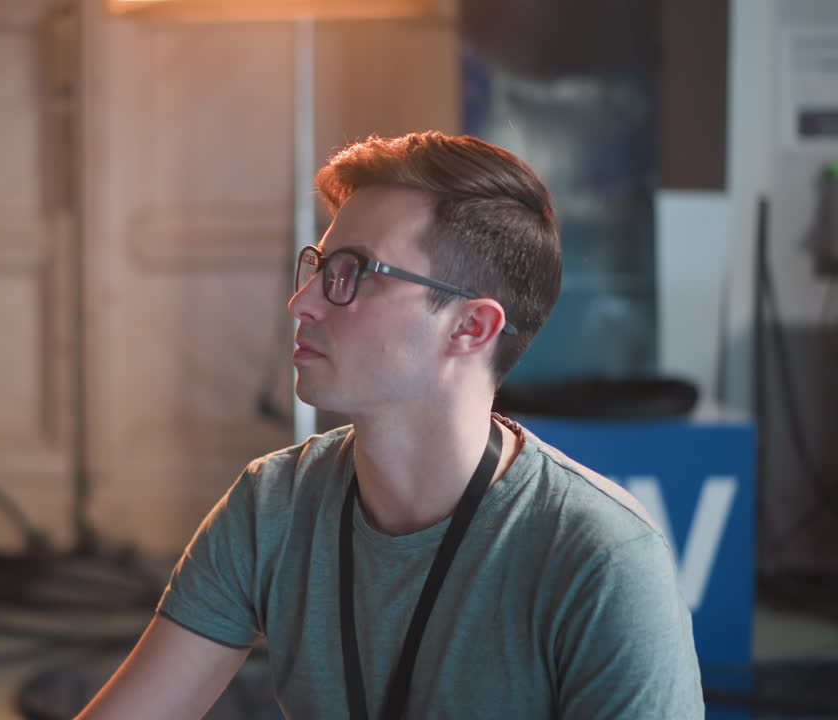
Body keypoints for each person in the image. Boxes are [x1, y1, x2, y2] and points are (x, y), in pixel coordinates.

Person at [75, 131, 703, 719]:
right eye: (319, 266)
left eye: (354, 273)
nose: (304, 301)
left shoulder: (601, 558)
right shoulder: (272, 506)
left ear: (470, 328)